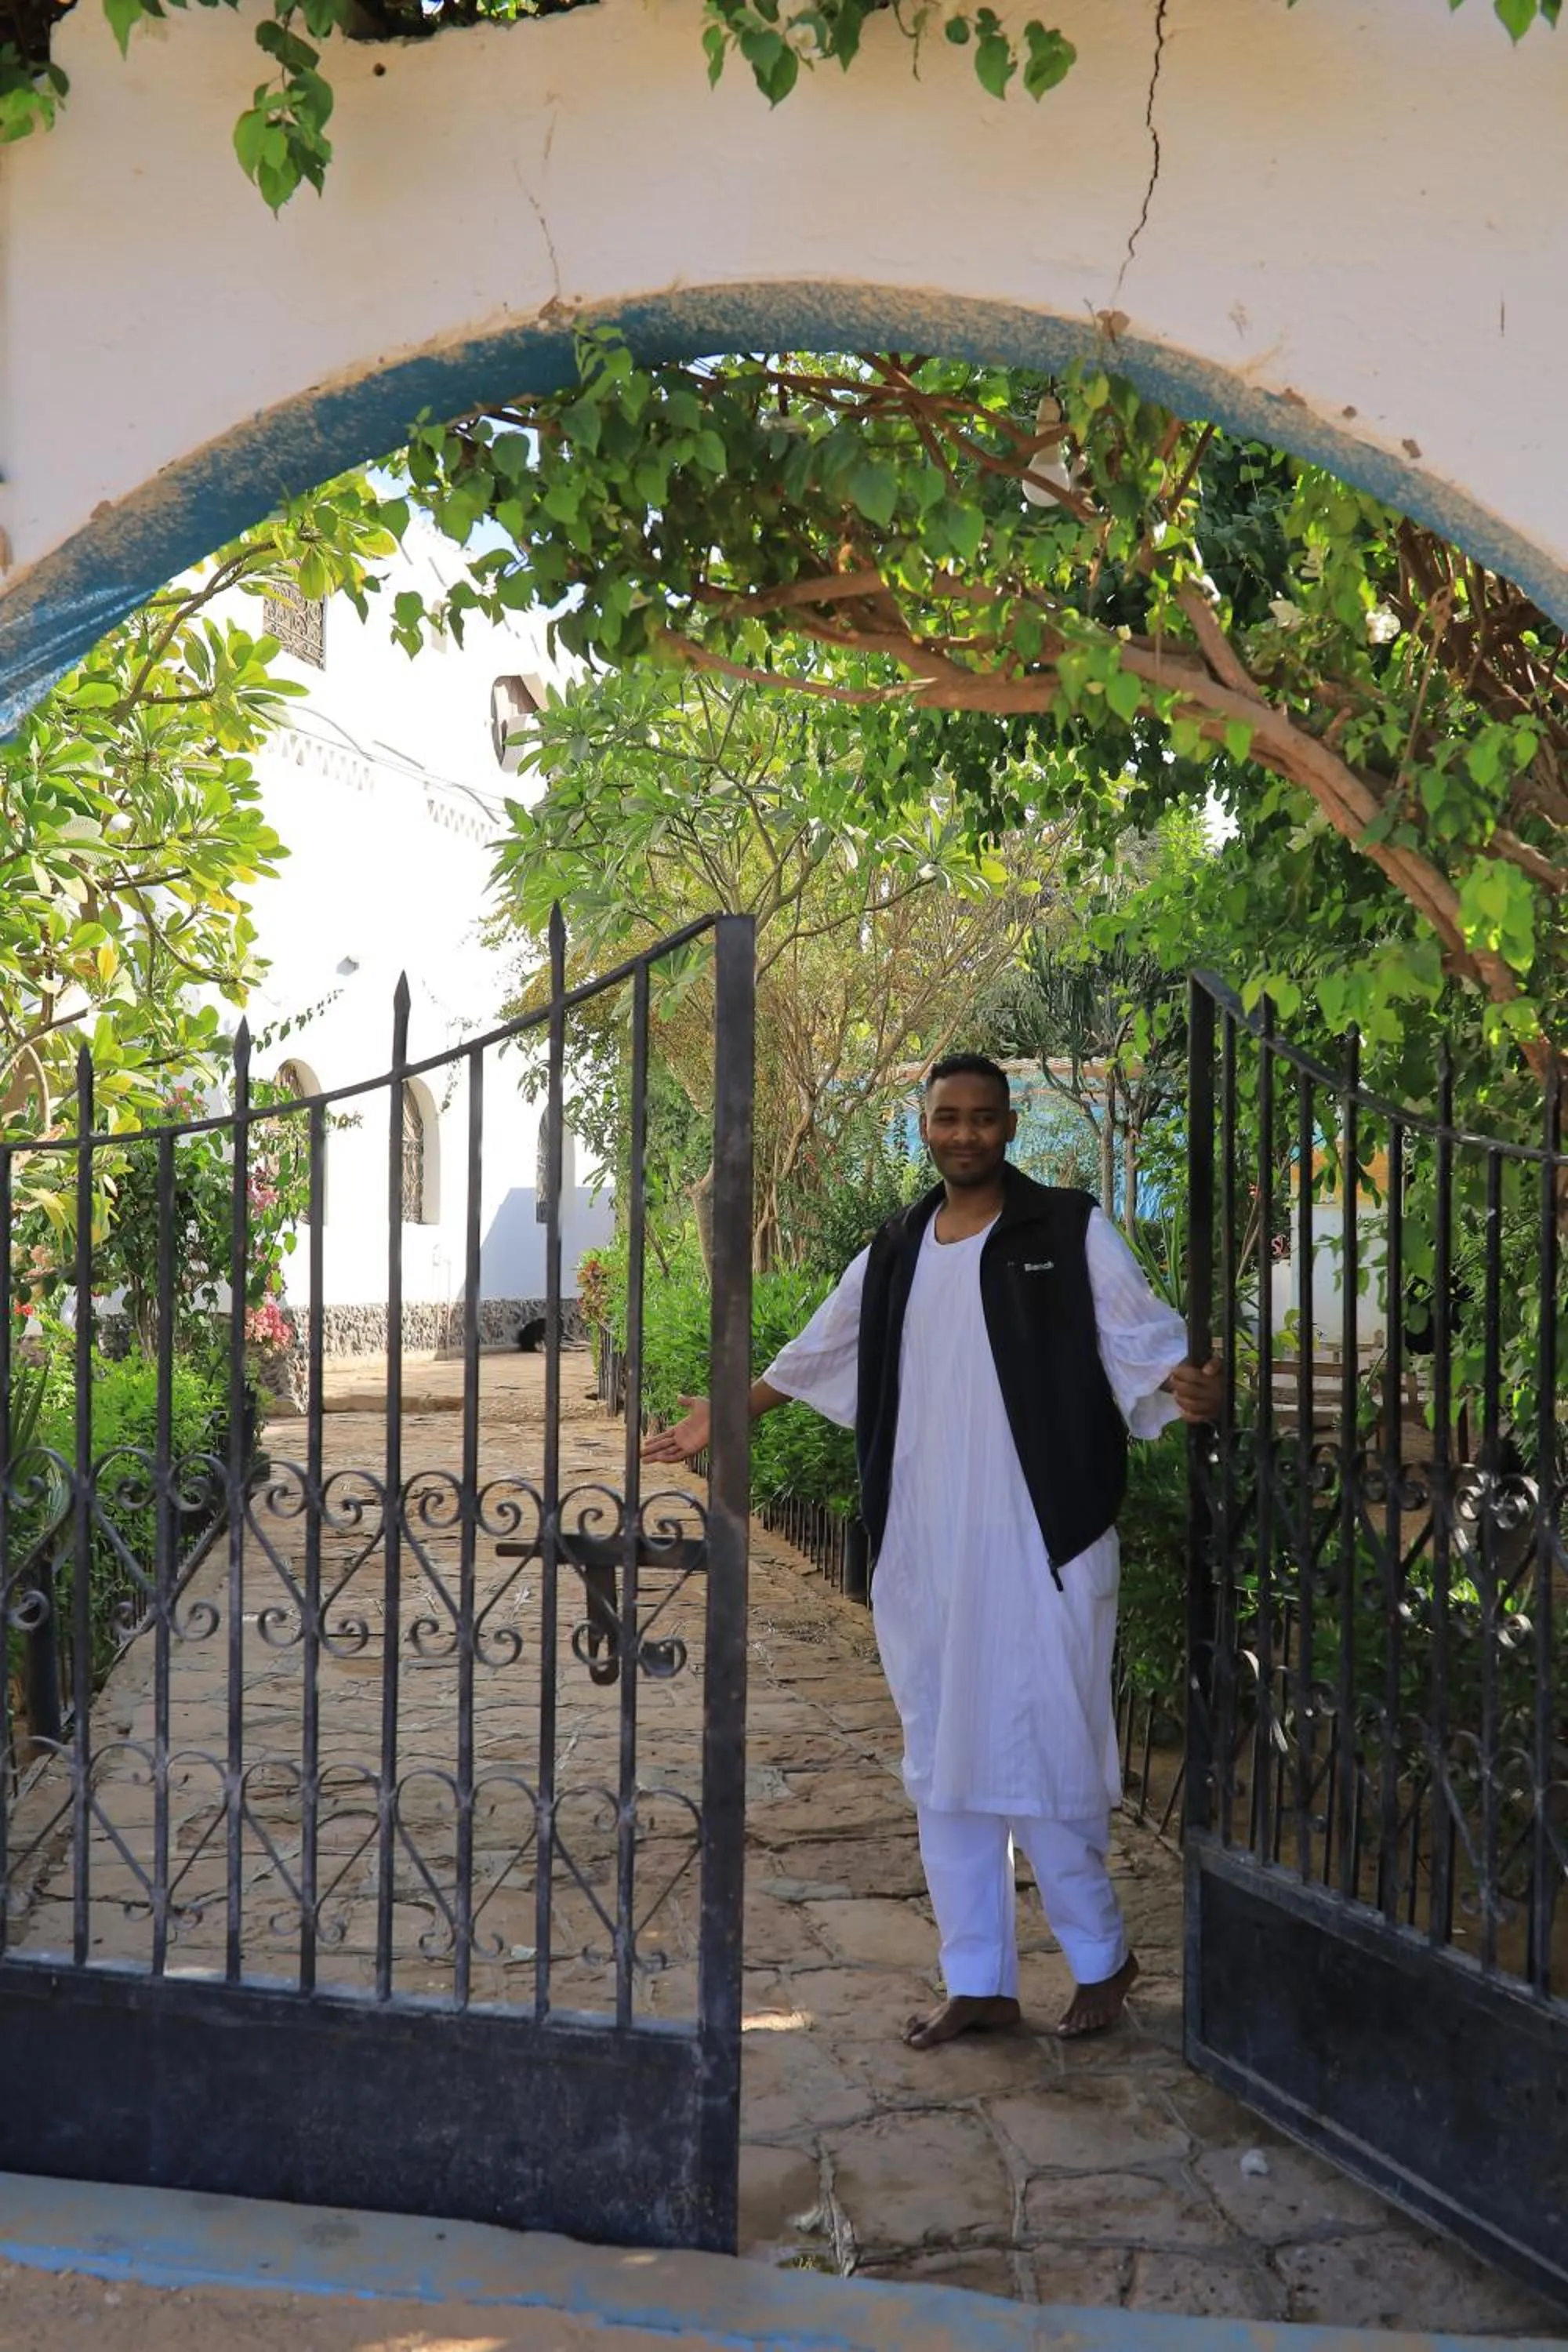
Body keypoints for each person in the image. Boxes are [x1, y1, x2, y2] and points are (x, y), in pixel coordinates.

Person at [644, 1054, 1221, 2049]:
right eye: (947, 1118)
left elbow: (1143, 1342)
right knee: (942, 1758)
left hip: (1045, 1538)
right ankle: (979, 1981)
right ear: (925, 1127)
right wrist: (722, 1417)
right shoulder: (898, 1246)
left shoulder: (1066, 1228)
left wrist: (1187, 1385)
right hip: (927, 1540)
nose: (964, 1134)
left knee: (1045, 1749)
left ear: (1007, 1128)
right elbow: (819, 1349)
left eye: (983, 1118)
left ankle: (1100, 1958)